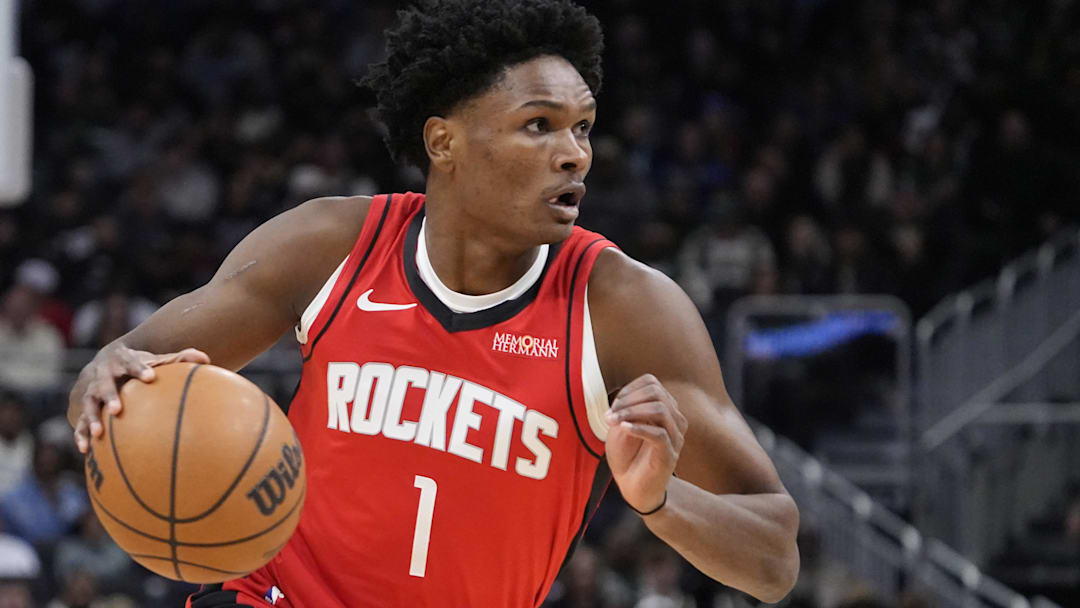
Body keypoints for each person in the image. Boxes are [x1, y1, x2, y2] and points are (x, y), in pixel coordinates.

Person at [67, 1, 800, 606]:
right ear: (444, 142)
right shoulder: (332, 244)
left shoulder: (623, 306)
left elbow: (774, 559)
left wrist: (660, 502)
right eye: (538, 125)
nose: (575, 153)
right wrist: (98, 383)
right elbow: (123, 375)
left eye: (583, 128)